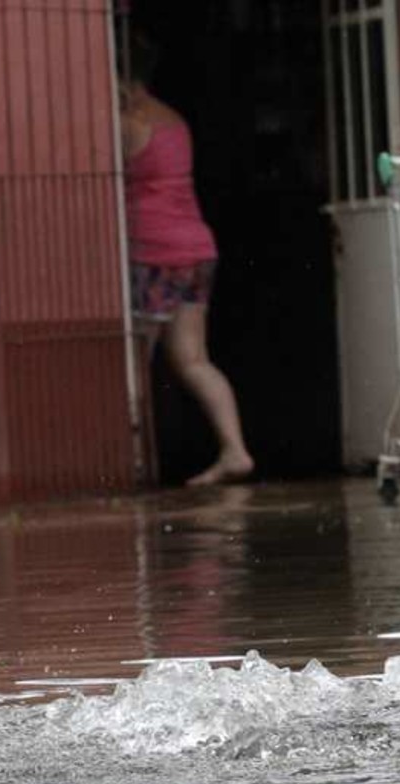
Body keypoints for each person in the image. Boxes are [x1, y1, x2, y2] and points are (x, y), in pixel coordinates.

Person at [121, 38, 255, 487]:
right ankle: (235, 450)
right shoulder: (175, 120)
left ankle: (131, 459)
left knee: (136, 359)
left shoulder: (128, 123)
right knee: (193, 359)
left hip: (154, 251)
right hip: (197, 247)